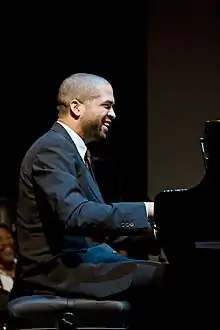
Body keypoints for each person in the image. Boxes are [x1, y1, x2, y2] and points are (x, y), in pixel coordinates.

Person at [11, 73, 178, 325]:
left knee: (174, 279)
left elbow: (96, 224)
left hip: (81, 261)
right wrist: (151, 209)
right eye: (106, 106)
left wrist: (158, 232)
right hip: (56, 271)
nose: (112, 114)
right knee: (174, 281)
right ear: (76, 107)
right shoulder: (52, 148)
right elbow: (77, 215)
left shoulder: (71, 150)